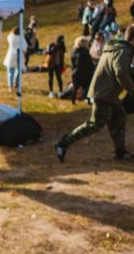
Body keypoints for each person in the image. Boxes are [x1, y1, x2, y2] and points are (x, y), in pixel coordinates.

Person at [55, 25, 134, 162]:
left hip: (108, 93)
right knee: (95, 123)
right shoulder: (124, 50)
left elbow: (119, 69)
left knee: (119, 116)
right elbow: (120, 72)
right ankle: (62, 143)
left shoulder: (117, 46)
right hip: (104, 93)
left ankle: (120, 152)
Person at [70, 36, 94, 105]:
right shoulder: (85, 52)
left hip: (75, 72)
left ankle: (73, 101)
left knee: (75, 87)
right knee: (88, 88)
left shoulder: (73, 51)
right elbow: (89, 63)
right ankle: (89, 100)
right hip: (85, 73)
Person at [3, 27, 27, 91]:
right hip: (19, 56)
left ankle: (10, 86)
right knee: (18, 72)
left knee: (11, 72)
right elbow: (25, 48)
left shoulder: (11, 37)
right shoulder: (21, 38)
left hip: (11, 56)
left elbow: (8, 36)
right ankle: (15, 84)